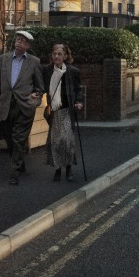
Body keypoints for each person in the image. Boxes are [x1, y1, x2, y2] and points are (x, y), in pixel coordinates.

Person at [0, 29, 45, 185]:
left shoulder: (34, 62)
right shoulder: (3, 59)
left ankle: (14, 172)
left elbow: (40, 87)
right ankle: (20, 164)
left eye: (23, 40)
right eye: (17, 39)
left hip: (25, 107)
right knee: (10, 140)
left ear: (28, 45)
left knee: (19, 139)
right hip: (6, 106)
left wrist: (36, 97)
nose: (19, 42)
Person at [42, 42, 83, 181]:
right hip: (54, 111)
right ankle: (58, 170)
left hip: (67, 110)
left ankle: (69, 170)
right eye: (54, 54)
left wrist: (79, 101)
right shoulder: (47, 71)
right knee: (56, 142)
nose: (56, 56)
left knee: (67, 142)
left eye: (59, 54)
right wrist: (36, 93)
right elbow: (41, 87)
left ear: (65, 56)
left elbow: (78, 89)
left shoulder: (72, 71)